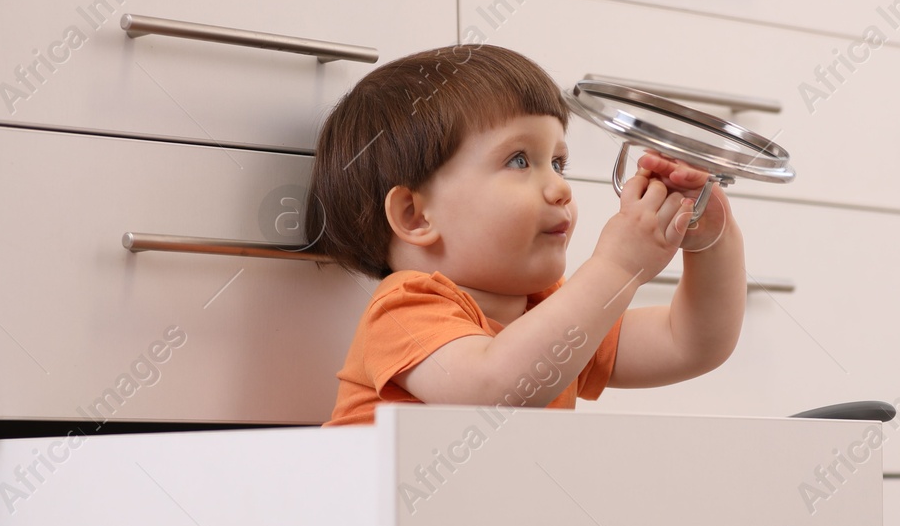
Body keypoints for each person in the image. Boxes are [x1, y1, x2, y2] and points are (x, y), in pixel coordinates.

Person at [315, 43, 746, 427]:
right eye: (520, 161)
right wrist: (618, 267)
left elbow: (689, 343)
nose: (560, 188)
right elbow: (494, 391)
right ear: (415, 216)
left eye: (558, 163)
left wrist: (712, 240)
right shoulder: (403, 311)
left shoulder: (548, 309)